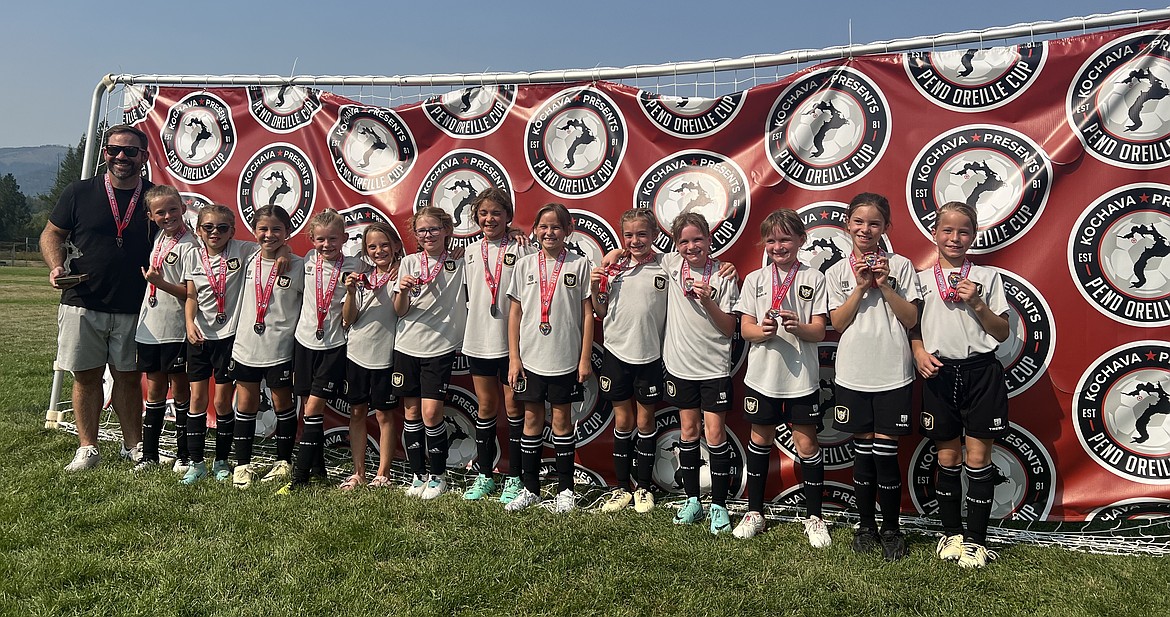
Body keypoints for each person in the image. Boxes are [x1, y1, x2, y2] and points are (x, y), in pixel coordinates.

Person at [40, 124, 154, 471]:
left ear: (144, 157)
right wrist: (56, 265)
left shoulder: (154, 197)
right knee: (86, 377)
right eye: (114, 150)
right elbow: (51, 233)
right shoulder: (79, 192)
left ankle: (132, 445)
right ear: (105, 153)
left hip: (135, 304)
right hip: (82, 300)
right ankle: (87, 447)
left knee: (129, 378)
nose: (121, 157)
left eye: (130, 151)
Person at [910, 201, 1010, 569]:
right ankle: (950, 534)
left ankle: (977, 542)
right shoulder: (920, 280)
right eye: (947, 231)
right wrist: (919, 352)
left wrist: (978, 303)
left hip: (981, 372)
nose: (955, 238)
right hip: (940, 373)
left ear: (974, 235)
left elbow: (1001, 332)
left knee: (979, 459)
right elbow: (912, 328)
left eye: (963, 231)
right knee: (947, 458)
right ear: (934, 234)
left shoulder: (989, 278)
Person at [825, 192, 921, 561]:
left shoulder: (902, 265)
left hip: (893, 372)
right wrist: (862, 286)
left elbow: (911, 319)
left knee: (886, 455)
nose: (866, 229)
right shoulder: (836, 271)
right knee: (862, 455)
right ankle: (864, 526)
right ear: (848, 224)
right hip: (853, 372)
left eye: (875, 223)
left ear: (886, 228)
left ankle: (892, 529)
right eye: (859, 222)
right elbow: (837, 322)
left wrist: (885, 284)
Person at [731, 209, 830, 545]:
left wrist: (796, 327)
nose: (778, 246)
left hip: (802, 379)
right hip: (763, 377)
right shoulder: (755, 280)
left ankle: (814, 517)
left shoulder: (815, 278)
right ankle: (754, 511)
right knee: (760, 441)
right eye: (771, 240)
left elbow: (819, 331)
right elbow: (745, 330)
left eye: (786, 238)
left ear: (801, 240)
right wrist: (763, 331)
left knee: (807, 444)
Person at [505, 203, 594, 513]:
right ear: (535, 230)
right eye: (543, 226)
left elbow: (586, 314)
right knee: (531, 420)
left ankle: (565, 490)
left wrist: (584, 358)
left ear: (567, 230)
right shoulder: (524, 265)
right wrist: (514, 358)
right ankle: (530, 488)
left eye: (556, 226)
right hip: (530, 359)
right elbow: (515, 313)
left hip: (565, 359)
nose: (549, 232)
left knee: (561, 422)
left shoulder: (580, 265)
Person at [180, 204, 277, 484]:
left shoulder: (243, 250)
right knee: (197, 399)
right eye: (208, 227)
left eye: (222, 228)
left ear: (232, 231)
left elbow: (273, 247)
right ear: (199, 230)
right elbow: (191, 296)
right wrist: (189, 324)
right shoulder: (192, 256)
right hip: (199, 337)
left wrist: (282, 256)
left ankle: (221, 460)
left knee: (223, 402)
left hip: (229, 338)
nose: (215, 232)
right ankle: (196, 463)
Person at [660, 213, 740, 533]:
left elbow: (729, 327)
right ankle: (692, 499)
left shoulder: (724, 275)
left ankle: (719, 505)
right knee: (689, 433)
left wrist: (709, 301)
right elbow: (628, 250)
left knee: (716, 435)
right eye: (684, 241)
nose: (691, 246)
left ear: (709, 239)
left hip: (714, 367)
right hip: (680, 365)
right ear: (676, 245)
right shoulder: (668, 265)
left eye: (697, 239)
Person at [278, 209, 362, 494]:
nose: (327, 245)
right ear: (312, 239)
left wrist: (351, 291)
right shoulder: (309, 260)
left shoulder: (354, 266)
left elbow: (350, 317)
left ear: (345, 238)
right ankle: (318, 470)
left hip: (333, 347)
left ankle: (297, 481)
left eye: (333, 239)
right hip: (303, 343)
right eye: (321, 240)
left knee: (314, 409)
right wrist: (285, 252)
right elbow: (282, 251)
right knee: (305, 407)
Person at [592, 208, 667, 514]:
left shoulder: (667, 265)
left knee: (646, 421)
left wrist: (726, 266)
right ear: (622, 237)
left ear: (655, 236)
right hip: (616, 353)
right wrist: (598, 283)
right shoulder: (613, 269)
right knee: (623, 421)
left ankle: (645, 488)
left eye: (642, 234)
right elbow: (600, 310)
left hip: (649, 355)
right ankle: (622, 488)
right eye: (629, 235)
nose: (636, 241)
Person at [460, 189, 533, 503]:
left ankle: (515, 476)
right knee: (486, 407)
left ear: (508, 217)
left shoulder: (523, 249)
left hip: (512, 344)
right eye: (483, 213)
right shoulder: (469, 251)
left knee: (514, 407)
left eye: (496, 213)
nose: (489, 219)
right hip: (479, 339)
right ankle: (484, 475)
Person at [228, 205, 304, 490]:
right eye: (263, 229)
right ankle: (242, 465)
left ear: (288, 232)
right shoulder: (247, 258)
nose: (269, 235)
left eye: (276, 230)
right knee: (245, 405)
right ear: (253, 231)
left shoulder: (298, 266)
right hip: (247, 346)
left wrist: (285, 251)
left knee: (282, 404)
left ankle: (283, 461)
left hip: (280, 348)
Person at [393, 206, 467, 500]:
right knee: (411, 413)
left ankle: (438, 475)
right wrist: (402, 291)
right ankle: (417, 474)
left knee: (431, 412)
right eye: (422, 230)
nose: (428, 235)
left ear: (447, 230)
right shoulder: (409, 262)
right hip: (407, 344)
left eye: (434, 229)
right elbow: (399, 311)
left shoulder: (461, 260)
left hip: (439, 346)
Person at [133, 185, 198, 473]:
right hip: (150, 328)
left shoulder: (191, 245)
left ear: (183, 208)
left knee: (180, 389)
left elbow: (190, 292)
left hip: (175, 329)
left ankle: (183, 454)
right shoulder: (158, 236)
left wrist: (159, 284)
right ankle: (150, 455)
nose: (168, 215)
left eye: (173, 209)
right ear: (151, 216)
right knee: (155, 387)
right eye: (161, 212)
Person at [339, 222, 403, 490]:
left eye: (384, 245)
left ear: (396, 246)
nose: (379, 251)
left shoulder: (405, 272)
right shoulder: (360, 277)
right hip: (356, 353)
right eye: (372, 247)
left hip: (386, 355)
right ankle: (358, 472)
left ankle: (383, 473)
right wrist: (351, 292)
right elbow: (348, 318)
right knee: (357, 412)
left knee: (385, 416)